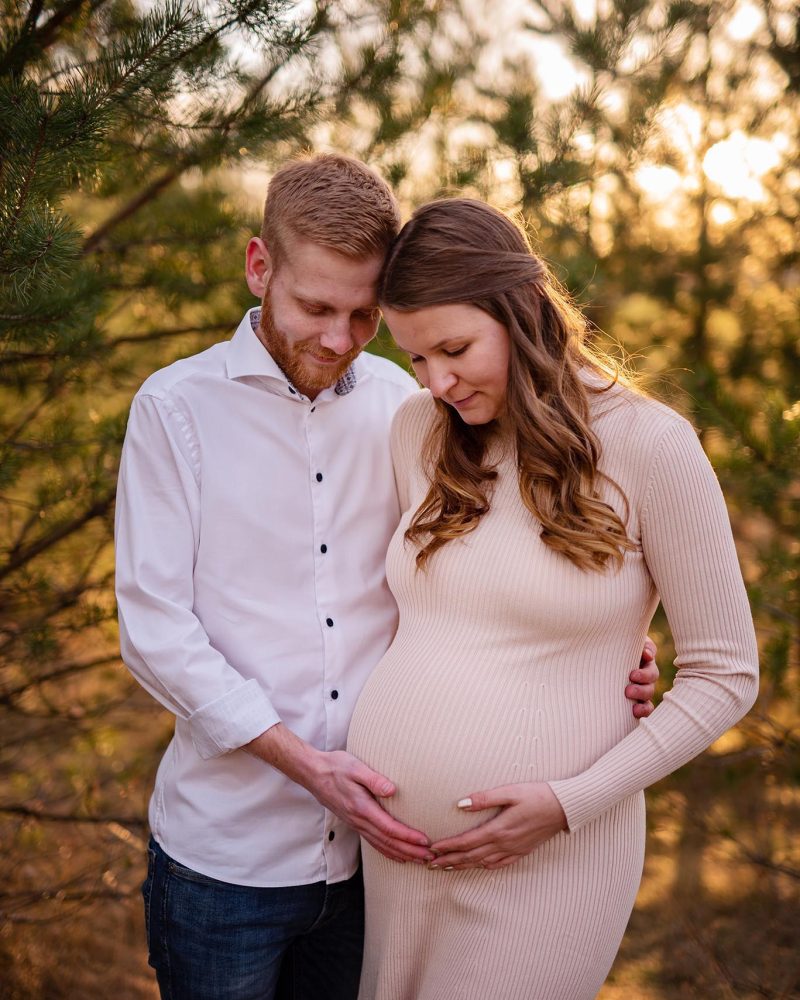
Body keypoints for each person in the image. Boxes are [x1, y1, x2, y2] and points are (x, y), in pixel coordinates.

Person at [114, 155, 660, 1000]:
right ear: (260, 267)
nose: (339, 339)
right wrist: (304, 764)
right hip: (226, 862)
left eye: (364, 314)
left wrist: (606, 638)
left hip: (382, 866)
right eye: (315, 307)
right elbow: (155, 630)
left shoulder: (409, 407)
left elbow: (482, 569)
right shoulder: (175, 408)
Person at [347, 198, 759, 1000]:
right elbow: (452, 620)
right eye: (416, 359)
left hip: (553, 858)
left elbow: (725, 674)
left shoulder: (651, 446)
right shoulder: (417, 433)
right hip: (397, 858)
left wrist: (567, 804)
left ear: (524, 306)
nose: (437, 382)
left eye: (455, 349)